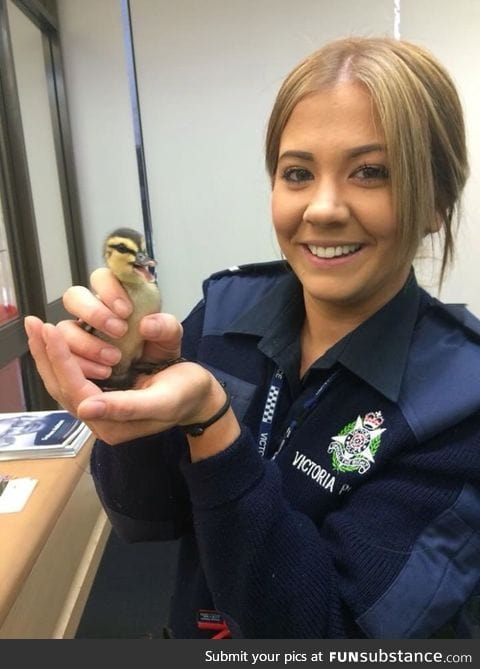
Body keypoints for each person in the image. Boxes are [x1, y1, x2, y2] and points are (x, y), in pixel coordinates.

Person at [25, 36, 480, 639]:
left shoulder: (461, 396)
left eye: (371, 172)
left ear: (437, 204)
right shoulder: (225, 309)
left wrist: (212, 427)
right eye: (297, 173)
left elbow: (326, 633)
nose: (320, 207)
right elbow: (143, 517)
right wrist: (125, 385)